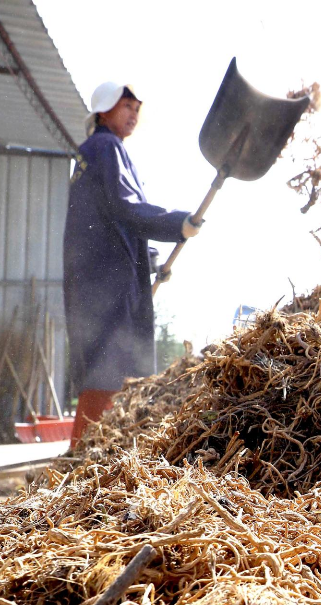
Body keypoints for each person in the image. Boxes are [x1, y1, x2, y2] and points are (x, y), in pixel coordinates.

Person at [63, 81, 201, 447]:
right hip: (108, 286)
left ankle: (88, 459)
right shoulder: (106, 148)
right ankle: (84, 463)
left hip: (99, 281)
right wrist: (177, 223)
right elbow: (127, 209)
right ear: (104, 110)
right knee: (112, 373)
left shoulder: (94, 152)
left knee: (107, 369)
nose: (134, 115)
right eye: (127, 107)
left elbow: (116, 223)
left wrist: (151, 263)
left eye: (137, 108)